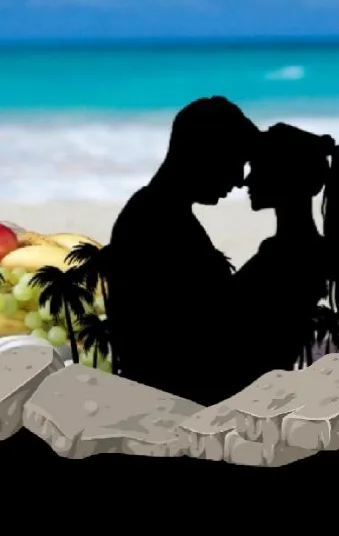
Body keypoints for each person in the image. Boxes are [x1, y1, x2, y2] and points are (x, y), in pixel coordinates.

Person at [105, 96, 259, 405]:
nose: (240, 179)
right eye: (235, 162)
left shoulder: (156, 211)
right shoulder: (158, 221)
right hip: (174, 402)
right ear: (204, 155)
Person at [229, 123, 339, 394]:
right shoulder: (301, 250)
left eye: (257, 168)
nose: (246, 181)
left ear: (284, 177)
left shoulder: (287, 255)